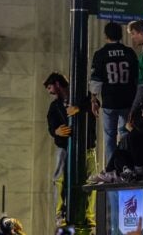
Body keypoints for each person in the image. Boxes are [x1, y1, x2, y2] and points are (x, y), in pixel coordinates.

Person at [44, 72, 97, 228]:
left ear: (57, 84)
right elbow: (51, 125)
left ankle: (89, 216)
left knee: (92, 180)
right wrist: (56, 131)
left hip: (87, 146)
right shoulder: (55, 106)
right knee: (59, 179)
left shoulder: (84, 97)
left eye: (49, 87)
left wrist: (78, 108)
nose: (49, 91)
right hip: (65, 146)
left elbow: (93, 105)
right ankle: (59, 215)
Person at [90, 22, 139, 167]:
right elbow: (136, 78)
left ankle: (112, 167)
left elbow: (96, 79)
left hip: (109, 101)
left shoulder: (100, 54)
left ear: (106, 36)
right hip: (128, 100)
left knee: (109, 136)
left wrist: (94, 99)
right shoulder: (129, 52)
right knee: (125, 133)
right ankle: (126, 165)